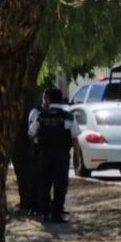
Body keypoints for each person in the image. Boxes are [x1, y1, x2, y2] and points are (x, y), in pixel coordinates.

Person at [29, 88, 79, 223]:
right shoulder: (68, 117)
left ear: (48, 99)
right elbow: (75, 139)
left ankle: (45, 213)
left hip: (44, 155)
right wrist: (77, 159)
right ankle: (56, 214)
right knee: (60, 185)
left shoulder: (41, 116)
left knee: (44, 184)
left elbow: (32, 132)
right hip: (62, 156)